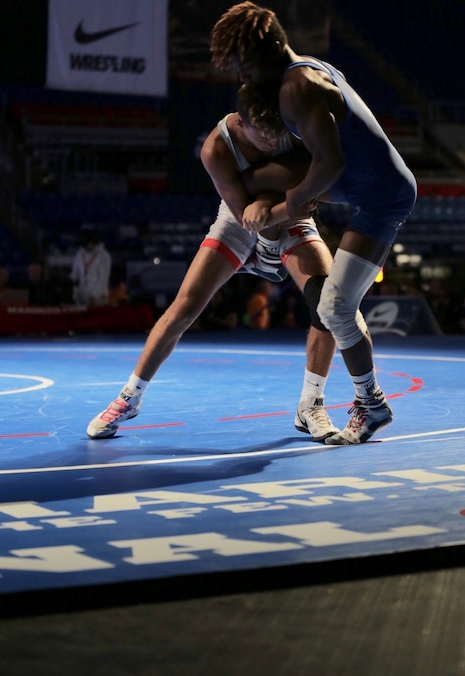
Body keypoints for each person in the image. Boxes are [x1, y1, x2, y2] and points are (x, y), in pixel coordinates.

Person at [210, 1, 418, 445]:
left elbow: (329, 165)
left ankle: (372, 403)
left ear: (262, 55)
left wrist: (285, 211)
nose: (242, 78)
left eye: (244, 66)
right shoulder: (300, 72)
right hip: (363, 188)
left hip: (378, 197)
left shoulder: (297, 87)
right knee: (252, 179)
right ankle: (267, 249)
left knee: (334, 308)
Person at [87, 84, 338, 442]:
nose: (272, 144)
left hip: (288, 216)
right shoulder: (216, 148)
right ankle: (130, 397)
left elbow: (306, 186)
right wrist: (283, 204)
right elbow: (245, 212)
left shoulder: (289, 127)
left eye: (276, 135)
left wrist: (284, 205)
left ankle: (310, 404)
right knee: (184, 306)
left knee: (327, 302)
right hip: (239, 219)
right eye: (262, 137)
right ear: (240, 122)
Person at [70, 230, 111, 307]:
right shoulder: (80, 253)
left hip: (98, 296)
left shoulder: (103, 256)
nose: (87, 247)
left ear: (93, 242)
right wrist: (69, 283)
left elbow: (103, 280)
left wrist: (94, 295)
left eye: (88, 244)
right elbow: (75, 273)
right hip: (82, 292)